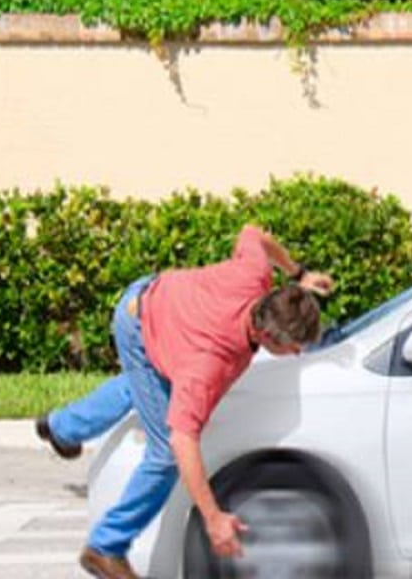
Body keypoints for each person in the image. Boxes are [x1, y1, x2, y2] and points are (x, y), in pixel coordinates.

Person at [35, 224, 334, 579]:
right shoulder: (208, 364)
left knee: (142, 390)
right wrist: (213, 518)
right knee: (162, 452)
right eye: (294, 347)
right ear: (266, 334)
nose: (298, 353)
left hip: (161, 302)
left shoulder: (254, 277)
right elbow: (182, 439)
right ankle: (105, 547)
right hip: (139, 325)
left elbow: (253, 233)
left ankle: (60, 426)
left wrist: (299, 274)